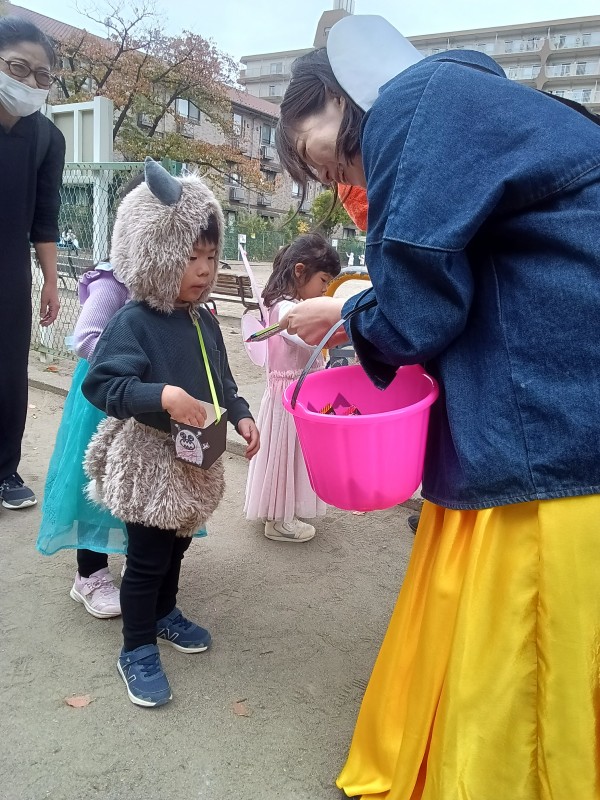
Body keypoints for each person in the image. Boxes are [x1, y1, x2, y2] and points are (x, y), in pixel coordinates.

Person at [275, 13, 600, 800]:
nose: (327, 174)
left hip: (540, 416)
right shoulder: (476, 99)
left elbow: (419, 306)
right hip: (569, 384)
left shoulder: (412, 107)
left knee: (520, 644)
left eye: (307, 149)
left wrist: (349, 314)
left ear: (331, 96)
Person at [82, 158, 259, 707]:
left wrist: (242, 413)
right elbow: (102, 384)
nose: (203, 270)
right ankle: (135, 648)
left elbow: (223, 380)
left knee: (178, 545)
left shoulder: (203, 319)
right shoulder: (133, 321)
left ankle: (164, 613)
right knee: (146, 559)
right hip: (150, 462)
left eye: (210, 256)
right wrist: (160, 396)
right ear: (156, 251)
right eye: (189, 256)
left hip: (196, 457)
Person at [36, 175, 149, 620]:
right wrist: (137, 363)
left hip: (145, 401)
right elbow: (86, 337)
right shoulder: (114, 280)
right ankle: (90, 573)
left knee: (137, 478)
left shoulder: (165, 281)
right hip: (104, 398)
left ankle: (140, 560)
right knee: (96, 482)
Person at [0, 17, 65, 510]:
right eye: (18, 68)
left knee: (8, 371)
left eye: (42, 76)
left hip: (9, 270)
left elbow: (46, 216)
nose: (29, 82)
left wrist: (50, 281)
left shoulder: (46, 138)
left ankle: (6, 471)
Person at [244, 233, 341, 542]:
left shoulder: (282, 302)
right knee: (287, 457)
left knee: (282, 456)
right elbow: (310, 339)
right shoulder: (289, 310)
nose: (325, 289)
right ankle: (280, 521)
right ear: (300, 271)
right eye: (323, 281)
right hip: (293, 399)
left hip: (288, 396)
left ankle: (277, 511)